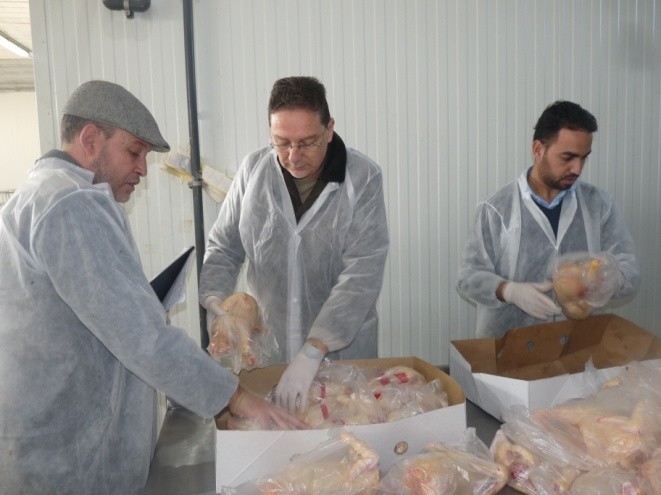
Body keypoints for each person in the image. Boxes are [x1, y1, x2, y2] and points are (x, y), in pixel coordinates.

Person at [0, 80, 305, 494]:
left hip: (51, 442)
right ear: (90, 139)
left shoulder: (45, 197)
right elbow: (139, 336)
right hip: (71, 458)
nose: (143, 169)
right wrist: (234, 397)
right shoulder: (70, 204)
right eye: (134, 152)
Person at [199, 76, 389, 413]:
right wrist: (217, 306)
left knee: (341, 433)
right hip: (269, 351)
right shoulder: (253, 172)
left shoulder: (362, 178)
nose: (293, 156)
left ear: (329, 129)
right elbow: (224, 247)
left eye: (307, 143)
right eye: (282, 142)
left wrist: (314, 350)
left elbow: (362, 273)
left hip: (340, 355)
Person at [457, 100, 640, 338]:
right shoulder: (497, 209)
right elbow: (469, 276)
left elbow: (629, 267)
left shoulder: (599, 206)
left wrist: (608, 279)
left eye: (584, 158)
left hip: (578, 346)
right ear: (538, 149)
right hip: (509, 346)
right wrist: (508, 291)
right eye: (568, 157)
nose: (577, 168)